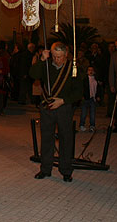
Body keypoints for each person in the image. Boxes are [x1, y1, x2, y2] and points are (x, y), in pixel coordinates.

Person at [30, 42, 83, 182]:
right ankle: (45, 169)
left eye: (60, 57)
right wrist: (42, 59)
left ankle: (65, 170)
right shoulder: (46, 65)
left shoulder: (74, 68)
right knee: (47, 138)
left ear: (66, 55)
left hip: (64, 108)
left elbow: (79, 92)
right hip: (47, 108)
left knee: (66, 139)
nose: (57, 59)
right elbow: (33, 74)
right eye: (54, 56)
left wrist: (63, 101)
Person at [79, 66, 100, 132]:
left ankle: (92, 125)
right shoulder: (84, 80)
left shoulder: (96, 80)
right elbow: (82, 88)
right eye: (89, 70)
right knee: (84, 113)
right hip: (86, 98)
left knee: (92, 113)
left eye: (92, 70)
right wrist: (82, 96)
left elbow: (98, 89)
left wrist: (97, 96)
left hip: (92, 98)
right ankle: (82, 125)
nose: (90, 71)